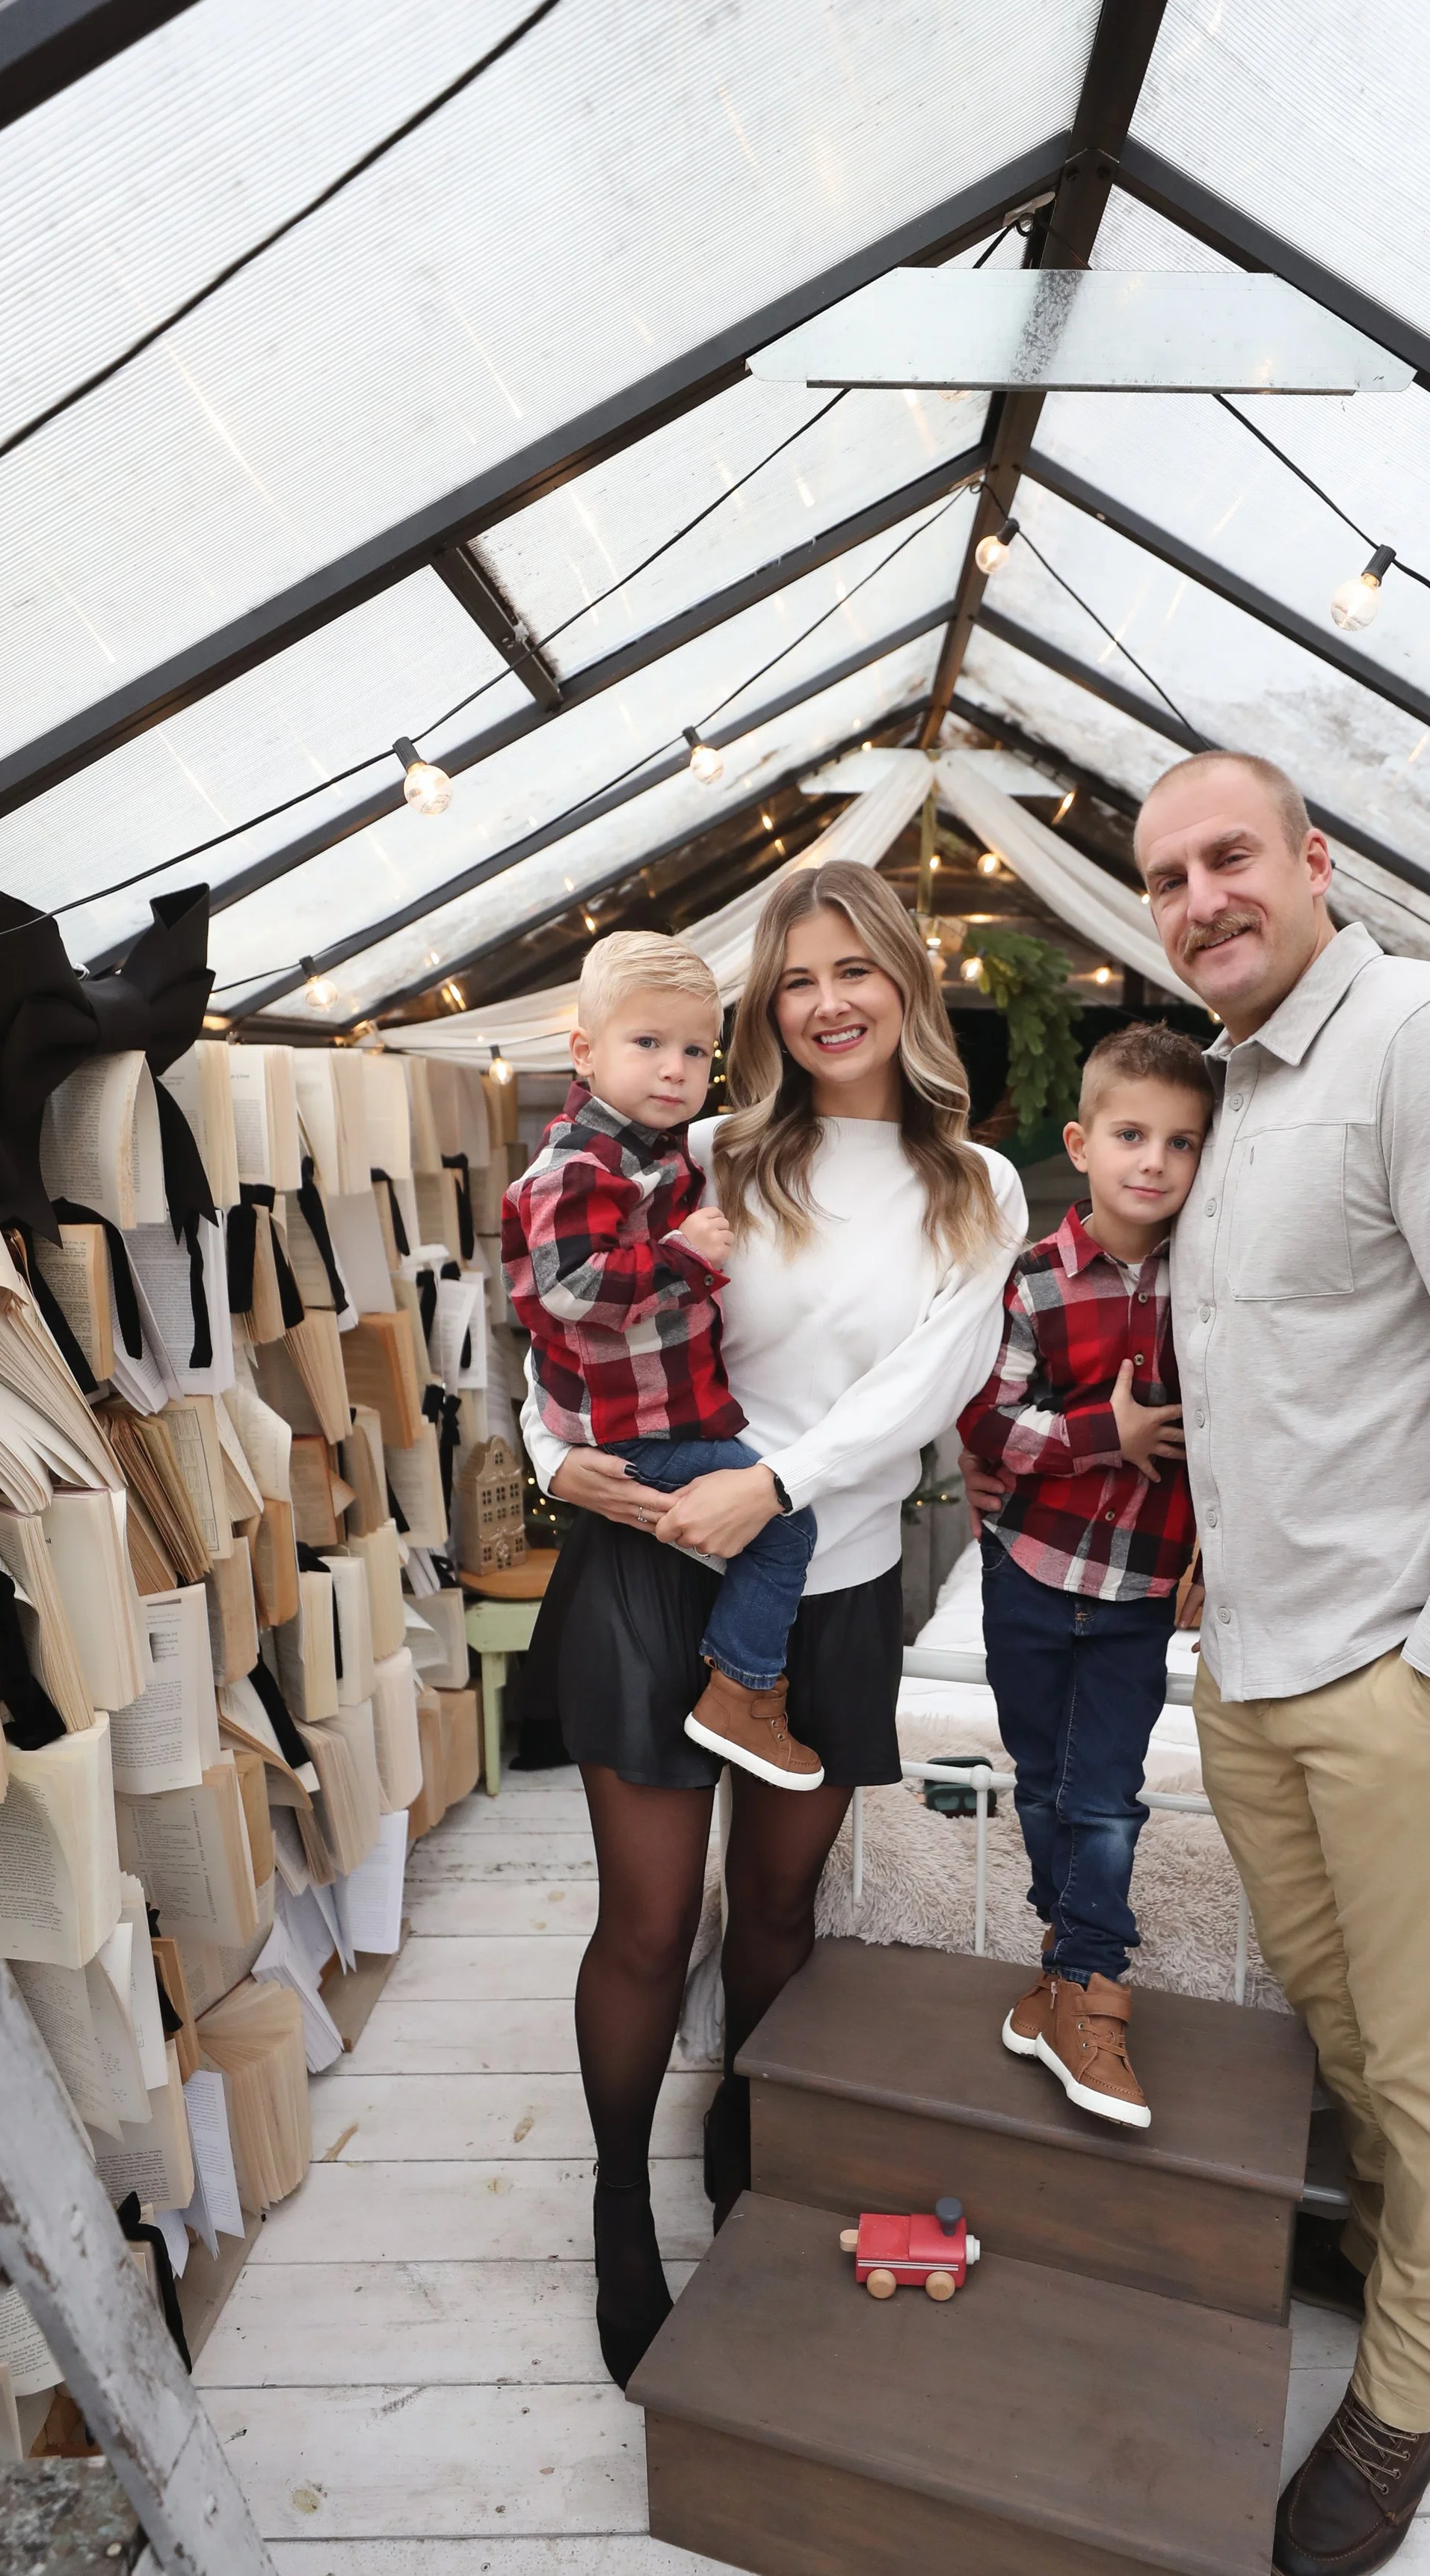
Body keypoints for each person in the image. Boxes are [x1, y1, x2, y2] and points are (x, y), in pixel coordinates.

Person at [1135, 746, 1430, 2576]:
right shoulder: (1240, 1091)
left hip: (1412, 1676)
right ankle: (1401, 2251)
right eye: (1167, 876)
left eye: (1229, 855)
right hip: (1259, 1660)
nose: (1198, 898)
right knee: (1343, 2029)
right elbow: (1310, 1362)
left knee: (1426, 2059)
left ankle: (1411, 2393)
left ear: (1315, 858)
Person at [520, 861, 1026, 2389]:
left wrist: (779, 1485)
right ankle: (622, 2201)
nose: (825, 1002)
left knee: (782, 1910)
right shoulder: (713, 1150)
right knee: (650, 1921)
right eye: (795, 977)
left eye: (852, 969)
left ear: (905, 983)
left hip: (833, 1579)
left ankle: (747, 2115)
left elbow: (924, 1390)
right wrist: (554, 1465)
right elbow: (563, 1323)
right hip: (650, 1565)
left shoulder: (973, 1189)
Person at [957, 1024, 1209, 2131]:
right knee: (1044, 1781)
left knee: (1107, 1790)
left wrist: (1212, 1548)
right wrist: (1099, 1433)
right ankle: (1063, 1970)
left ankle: (1097, 1993)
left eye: (1182, 1142)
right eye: (1130, 1135)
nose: (1154, 1161)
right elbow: (988, 1423)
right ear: (1084, 1141)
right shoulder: (1031, 1283)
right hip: (1030, 1567)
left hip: (1140, 1589)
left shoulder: (1210, 1288)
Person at [501, 929, 823, 1791]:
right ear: (584, 1050)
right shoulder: (576, 1164)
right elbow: (563, 1296)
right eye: (647, 1044)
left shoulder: (659, 1148)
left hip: (662, 1416)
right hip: (637, 1430)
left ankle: (735, 1683)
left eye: (694, 1050)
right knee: (786, 1523)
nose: (675, 1069)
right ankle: (742, 1691)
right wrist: (682, 1253)